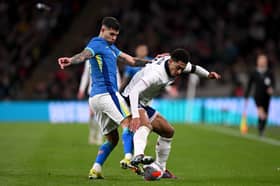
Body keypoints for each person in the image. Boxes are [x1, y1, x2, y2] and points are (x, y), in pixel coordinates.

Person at [57, 16, 149, 179]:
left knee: (112, 139)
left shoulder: (111, 48)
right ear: (102, 30)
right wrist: (71, 60)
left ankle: (96, 169)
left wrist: (154, 62)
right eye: (111, 34)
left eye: (116, 35)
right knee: (130, 123)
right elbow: (84, 55)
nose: (113, 38)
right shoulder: (96, 43)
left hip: (95, 99)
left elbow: (132, 61)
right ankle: (129, 158)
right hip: (107, 94)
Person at [122, 48, 221, 178]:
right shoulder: (155, 74)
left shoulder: (178, 64)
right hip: (130, 99)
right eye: (178, 68)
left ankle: (161, 168)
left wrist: (208, 75)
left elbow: (194, 68)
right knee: (145, 125)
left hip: (143, 102)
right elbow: (134, 92)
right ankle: (138, 155)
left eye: (182, 69)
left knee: (168, 131)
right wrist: (135, 116)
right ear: (170, 62)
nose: (179, 72)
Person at [119, 44, 151, 169]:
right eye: (141, 49)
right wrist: (119, 92)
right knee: (131, 124)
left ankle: (135, 154)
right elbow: (125, 79)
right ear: (137, 51)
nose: (143, 51)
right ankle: (132, 155)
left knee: (142, 126)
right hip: (131, 97)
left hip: (145, 99)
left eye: (144, 49)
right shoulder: (132, 65)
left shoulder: (150, 63)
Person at [244, 53, 275, 137]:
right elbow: (249, 85)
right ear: (258, 62)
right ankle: (261, 130)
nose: (262, 62)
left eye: (264, 60)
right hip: (257, 96)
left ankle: (261, 129)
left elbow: (273, 83)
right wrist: (246, 96)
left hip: (267, 97)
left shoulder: (269, 72)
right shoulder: (254, 72)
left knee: (265, 114)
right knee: (261, 113)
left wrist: (271, 89)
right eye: (261, 60)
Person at [77, 60, 103, 145]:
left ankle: (99, 136)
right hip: (91, 91)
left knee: (101, 115)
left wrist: (117, 87)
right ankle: (92, 134)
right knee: (91, 115)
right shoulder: (89, 61)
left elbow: (115, 74)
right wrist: (81, 89)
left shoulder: (107, 57)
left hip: (104, 91)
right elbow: (85, 76)